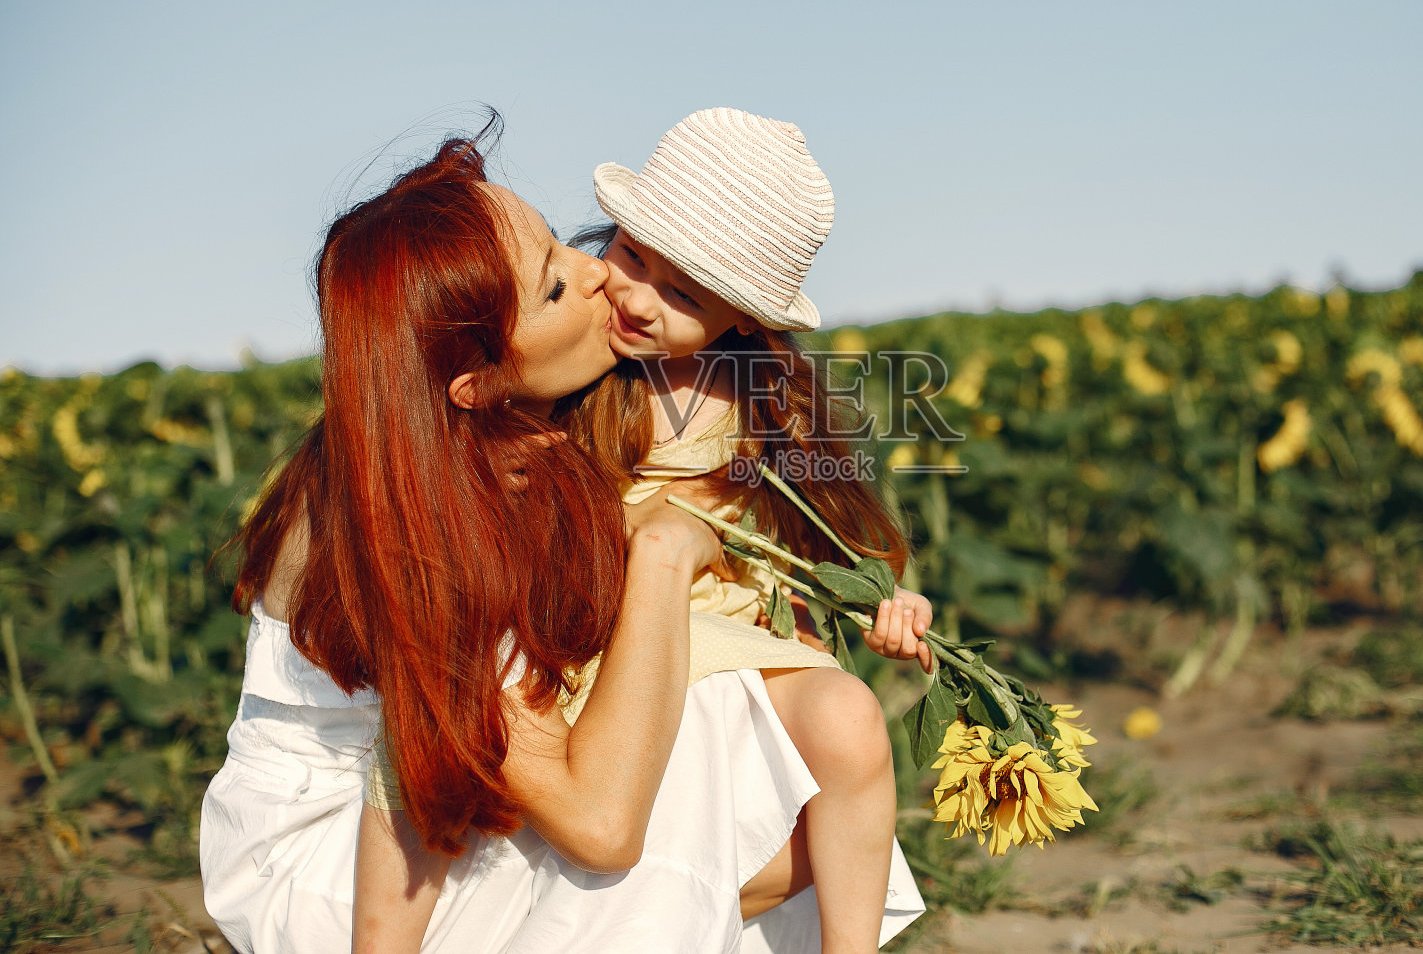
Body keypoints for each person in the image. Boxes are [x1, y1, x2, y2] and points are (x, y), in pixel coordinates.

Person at [198, 116, 923, 953]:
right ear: (473, 381)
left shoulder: (554, 407)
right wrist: (665, 548)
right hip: (349, 866)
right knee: (679, 797)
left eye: (560, 242)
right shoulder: (427, 515)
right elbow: (567, 814)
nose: (600, 277)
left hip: (481, 784)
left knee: (755, 736)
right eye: (554, 285)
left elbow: (796, 532)